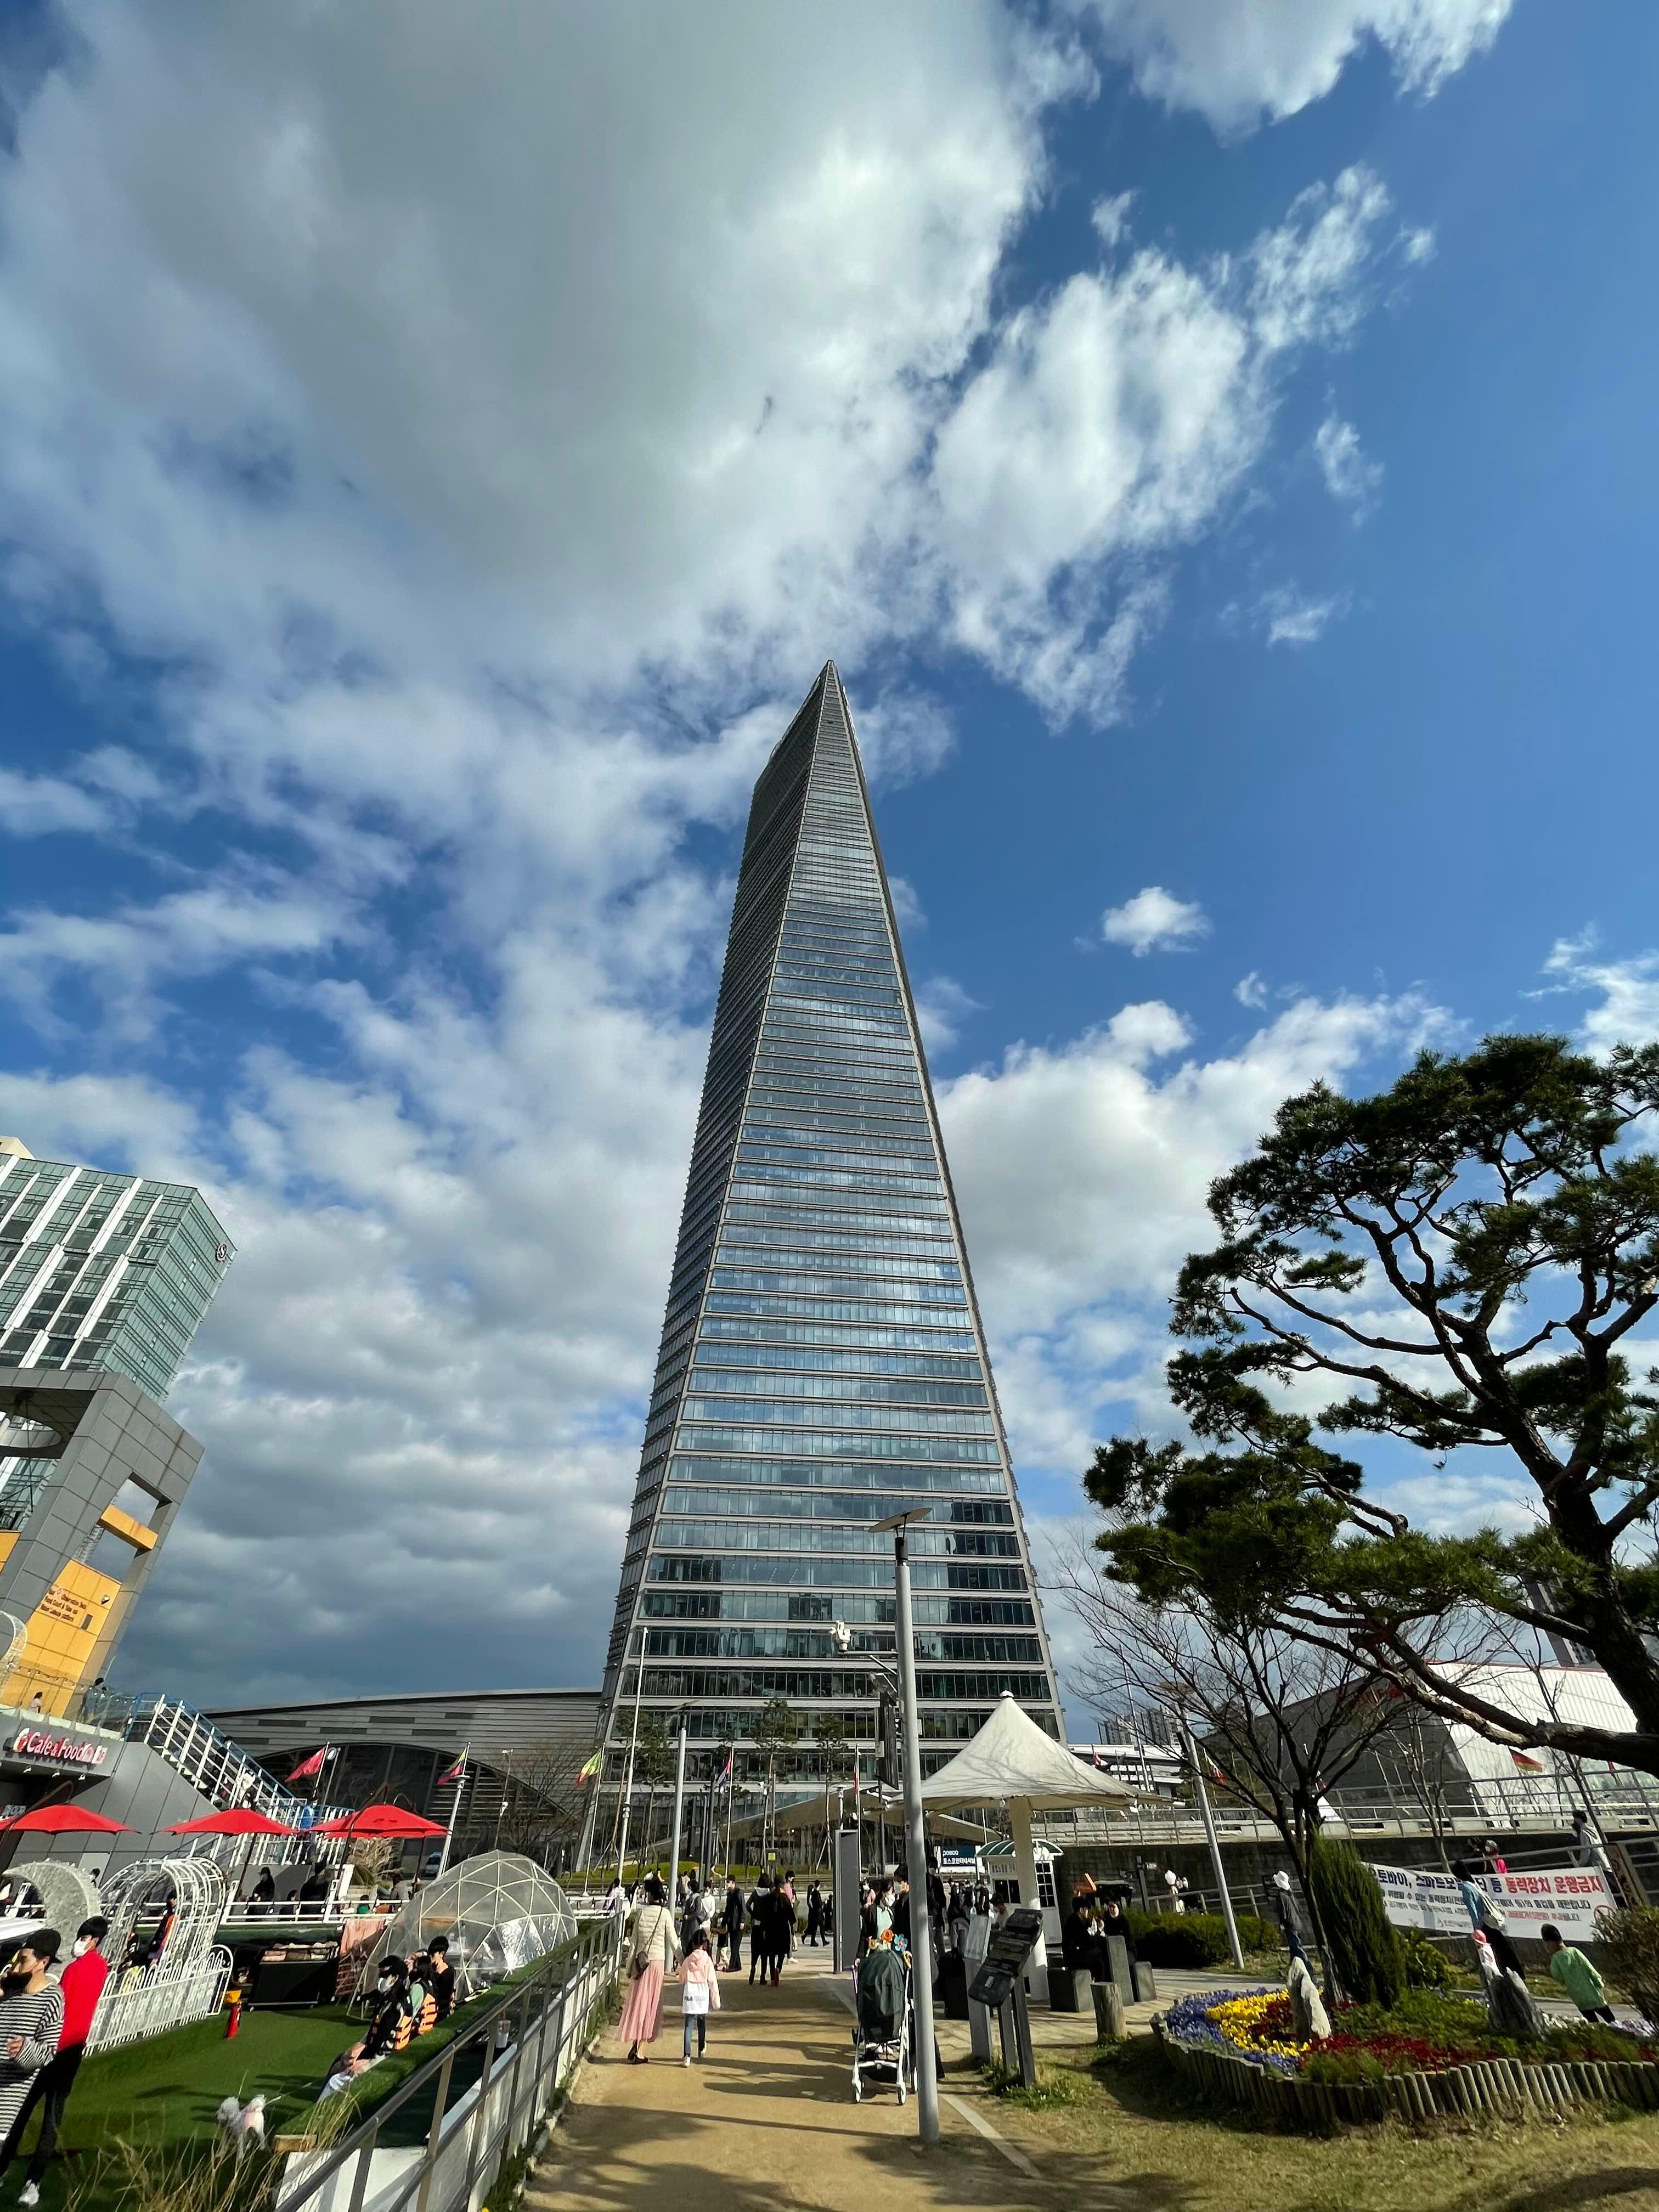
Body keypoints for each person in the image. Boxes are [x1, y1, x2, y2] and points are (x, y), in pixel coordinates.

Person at [0, 1919, 102, 2207]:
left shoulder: (85, 1971)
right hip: (61, 2049)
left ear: (94, 1941)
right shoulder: (77, 1971)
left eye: (84, 1937)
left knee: (45, 2118)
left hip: (63, 2052)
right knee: (28, 2115)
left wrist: (37, 2047)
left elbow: (65, 2015)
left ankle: (31, 2180)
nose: (79, 1942)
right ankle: (15, 2173)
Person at [0, 1936, 63, 2160]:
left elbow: (48, 2052)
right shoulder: (9, 1991)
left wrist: (25, 2050)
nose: (16, 1966)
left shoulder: (52, 1998)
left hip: (7, 2099)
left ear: (42, 1962)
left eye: (23, 1960)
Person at [619, 1875, 680, 2064]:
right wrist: (685, 1962)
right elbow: (674, 1942)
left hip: (641, 1964)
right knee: (650, 2007)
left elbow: (634, 1943)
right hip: (657, 1964)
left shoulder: (642, 1913)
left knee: (639, 2004)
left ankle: (635, 2044)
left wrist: (629, 1967)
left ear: (649, 1895)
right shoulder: (665, 1914)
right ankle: (640, 2050)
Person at [1452, 1858, 1526, 1979]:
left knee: (1491, 1951)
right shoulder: (1473, 1884)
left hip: (1483, 1924)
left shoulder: (1466, 1887)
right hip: (1489, 1922)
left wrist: (1477, 1929)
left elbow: (1473, 1909)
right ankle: (1516, 1972)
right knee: (1502, 1946)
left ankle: (1505, 1975)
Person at [1541, 1923, 1616, 2024]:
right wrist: (1599, 1982)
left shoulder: (1556, 1959)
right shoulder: (1575, 1952)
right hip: (1593, 1993)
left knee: (1593, 2023)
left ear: (1551, 1943)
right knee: (1611, 2019)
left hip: (1579, 1998)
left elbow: (1557, 1975)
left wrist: (1567, 1982)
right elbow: (1589, 1968)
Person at [679, 1929, 721, 2065]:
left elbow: (682, 1977)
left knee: (689, 2024)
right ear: (705, 1943)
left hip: (690, 1992)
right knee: (702, 2022)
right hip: (703, 1993)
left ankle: (687, 2055)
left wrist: (684, 1979)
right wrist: (716, 2001)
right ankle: (701, 2047)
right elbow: (712, 1981)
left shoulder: (688, 1959)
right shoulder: (707, 1960)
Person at [362, 1959, 412, 2059]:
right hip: (376, 2049)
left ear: (395, 1978)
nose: (380, 1979)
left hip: (382, 2056)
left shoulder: (394, 2008)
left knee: (342, 2066)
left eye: (384, 1975)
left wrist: (360, 2058)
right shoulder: (393, 1996)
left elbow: (379, 2042)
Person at [1060, 1889, 1109, 1982]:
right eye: (1087, 1910)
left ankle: (1096, 1979)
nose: (1088, 1913)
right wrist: (1099, 1931)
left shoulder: (1073, 1920)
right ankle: (1101, 1983)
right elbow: (1090, 1942)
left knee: (1097, 1956)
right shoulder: (1075, 1923)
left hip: (1074, 1956)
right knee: (1099, 1953)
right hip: (1073, 1959)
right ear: (1082, 1910)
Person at [1270, 1871, 1311, 1967]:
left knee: (1297, 1948)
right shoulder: (1291, 1895)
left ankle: (1310, 1969)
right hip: (1297, 1923)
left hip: (1290, 1925)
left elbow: (1283, 1913)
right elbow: (1298, 1909)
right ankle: (1292, 1968)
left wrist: (1282, 1925)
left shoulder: (1281, 1896)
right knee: (1294, 1949)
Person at [425, 1935, 456, 2022]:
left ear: (442, 1954)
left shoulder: (448, 1972)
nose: (430, 1957)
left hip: (441, 2012)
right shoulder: (430, 1968)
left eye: (433, 1954)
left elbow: (443, 1995)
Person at [747, 1878, 771, 1986]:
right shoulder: (768, 1895)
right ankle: (762, 1977)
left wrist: (753, 1914)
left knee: (755, 1949)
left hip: (756, 1924)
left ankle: (753, 1967)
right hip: (765, 1925)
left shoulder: (755, 1893)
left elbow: (748, 1905)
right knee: (765, 1953)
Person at [719, 1878, 743, 1974]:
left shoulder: (738, 1893)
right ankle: (738, 1965)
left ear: (733, 1883)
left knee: (735, 1946)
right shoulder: (729, 1895)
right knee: (734, 1945)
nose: (727, 1884)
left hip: (738, 1924)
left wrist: (742, 1921)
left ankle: (732, 1966)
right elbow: (728, 1911)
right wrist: (723, 1923)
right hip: (731, 1924)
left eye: (728, 1882)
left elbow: (742, 1908)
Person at [805, 1882, 825, 1947]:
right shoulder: (814, 1894)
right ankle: (813, 1941)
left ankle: (822, 1941)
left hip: (815, 1913)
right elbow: (812, 1904)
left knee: (817, 1926)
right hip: (815, 1913)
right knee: (815, 1927)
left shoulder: (812, 1894)